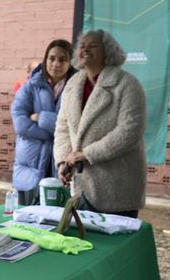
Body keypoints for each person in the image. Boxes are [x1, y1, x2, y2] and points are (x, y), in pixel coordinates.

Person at [54, 29, 146, 218]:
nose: (85, 49)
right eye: (82, 46)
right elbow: (62, 127)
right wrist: (63, 161)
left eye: (93, 45)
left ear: (108, 52)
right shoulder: (72, 84)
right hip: (82, 187)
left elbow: (130, 131)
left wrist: (87, 154)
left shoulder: (127, 84)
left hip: (118, 187)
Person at [11, 40, 76, 206]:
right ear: (45, 59)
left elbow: (74, 125)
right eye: (52, 58)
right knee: (26, 214)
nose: (56, 64)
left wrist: (42, 118)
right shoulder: (31, 85)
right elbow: (20, 122)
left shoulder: (77, 88)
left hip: (61, 161)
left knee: (57, 214)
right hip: (30, 162)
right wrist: (55, 132)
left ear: (70, 62)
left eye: (62, 59)